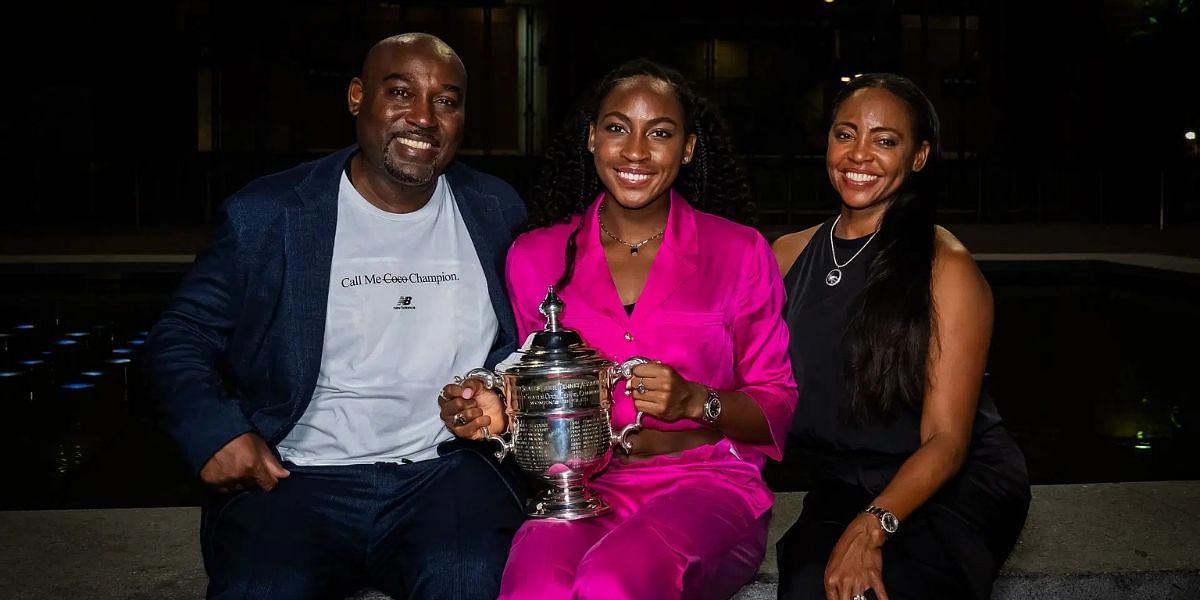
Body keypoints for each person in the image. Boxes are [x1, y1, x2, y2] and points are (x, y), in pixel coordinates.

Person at [144, 33, 527, 600]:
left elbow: (527, 339)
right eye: (400, 93)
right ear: (356, 97)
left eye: (447, 101)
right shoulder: (269, 214)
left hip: (445, 473)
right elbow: (180, 335)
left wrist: (500, 390)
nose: (423, 117)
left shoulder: (496, 209)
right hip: (298, 476)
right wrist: (216, 431)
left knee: (472, 582)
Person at [438, 59, 797, 600]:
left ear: (689, 148)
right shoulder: (534, 257)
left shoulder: (740, 251)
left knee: (615, 580)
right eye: (616, 128)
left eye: (660, 133)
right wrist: (492, 410)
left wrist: (698, 401)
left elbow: (776, 402)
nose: (635, 151)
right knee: (535, 586)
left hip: (708, 483)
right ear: (590, 138)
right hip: (579, 488)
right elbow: (527, 384)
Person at [771, 73, 1031, 600]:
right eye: (845, 135)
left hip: (950, 483)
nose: (859, 155)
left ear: (918, 156)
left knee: (890, 588)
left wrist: (872, 528)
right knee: (805, 585)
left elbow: (947, 441)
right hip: (844, 480)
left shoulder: (945, 268)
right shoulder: (786, 256)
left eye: (885, 140)